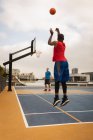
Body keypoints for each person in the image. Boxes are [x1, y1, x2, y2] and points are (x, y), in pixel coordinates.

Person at [48, 28, 70, 106]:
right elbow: (60, 39)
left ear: (58, 38)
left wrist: (51, 34)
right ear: (63, 39)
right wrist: (58, 32)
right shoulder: (64, 44)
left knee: (57, 80)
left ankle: (56, 98)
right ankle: (65, 97)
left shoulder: (56, 42)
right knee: (63, 81)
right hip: (65, 62)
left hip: (59, 62)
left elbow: (49, 43)